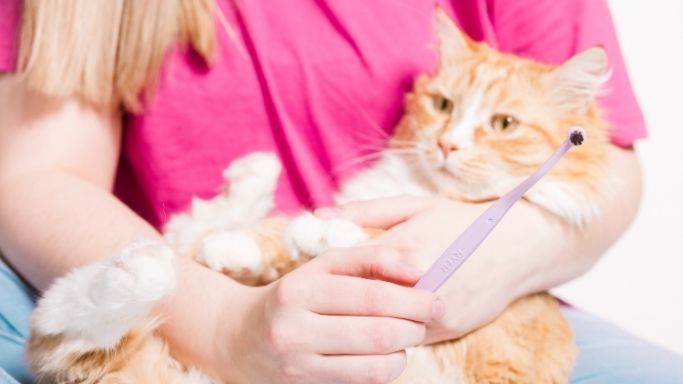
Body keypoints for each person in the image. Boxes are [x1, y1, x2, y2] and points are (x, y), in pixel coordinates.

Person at [0, 0, 681, 383]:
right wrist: (225, 329)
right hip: (188, 294)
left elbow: (604, 166)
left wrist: (493, 257)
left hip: (483, 308)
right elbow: (34, 175)